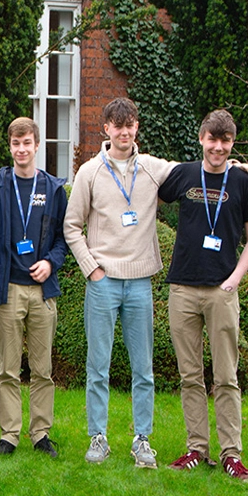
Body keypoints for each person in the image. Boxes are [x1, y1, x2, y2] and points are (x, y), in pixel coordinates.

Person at [64, 98, 174, 468]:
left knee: (143, 368)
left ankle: (142, 439)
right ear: (106, 129)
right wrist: (92, 268)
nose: (124, 132)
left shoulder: (153, 168)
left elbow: (198, 171)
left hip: (140, 283)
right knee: (99, 365)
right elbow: (71, 226)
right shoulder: (90, 172)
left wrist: (237, 166)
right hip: (103, 282)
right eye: (117, 125)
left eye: (130, 126)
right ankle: (99, 436)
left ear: (136, 128)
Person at [159, 110, 248, 482]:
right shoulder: (184, 175)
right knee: (190, 376)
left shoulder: (242, 181)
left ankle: (231, 453)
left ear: (232, 142)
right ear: (201, 137)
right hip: (183, 288)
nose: (218, 147)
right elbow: (148, 184)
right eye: (212, 139)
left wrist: (234, 280)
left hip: (221, 290)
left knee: (226, 376)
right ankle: (196, 449)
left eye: (226, 141)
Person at [0, 117, 68, 458]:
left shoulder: (53, 189)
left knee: (43, 369)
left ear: (36, 145)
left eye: (27, 143)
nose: (21, 149)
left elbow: (64, 236)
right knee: (8, 369)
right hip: (8, 289)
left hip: (42, 289)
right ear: (10, 146)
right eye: (16, 144)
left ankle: (41, 433)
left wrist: (51, 262)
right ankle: (10, 435)